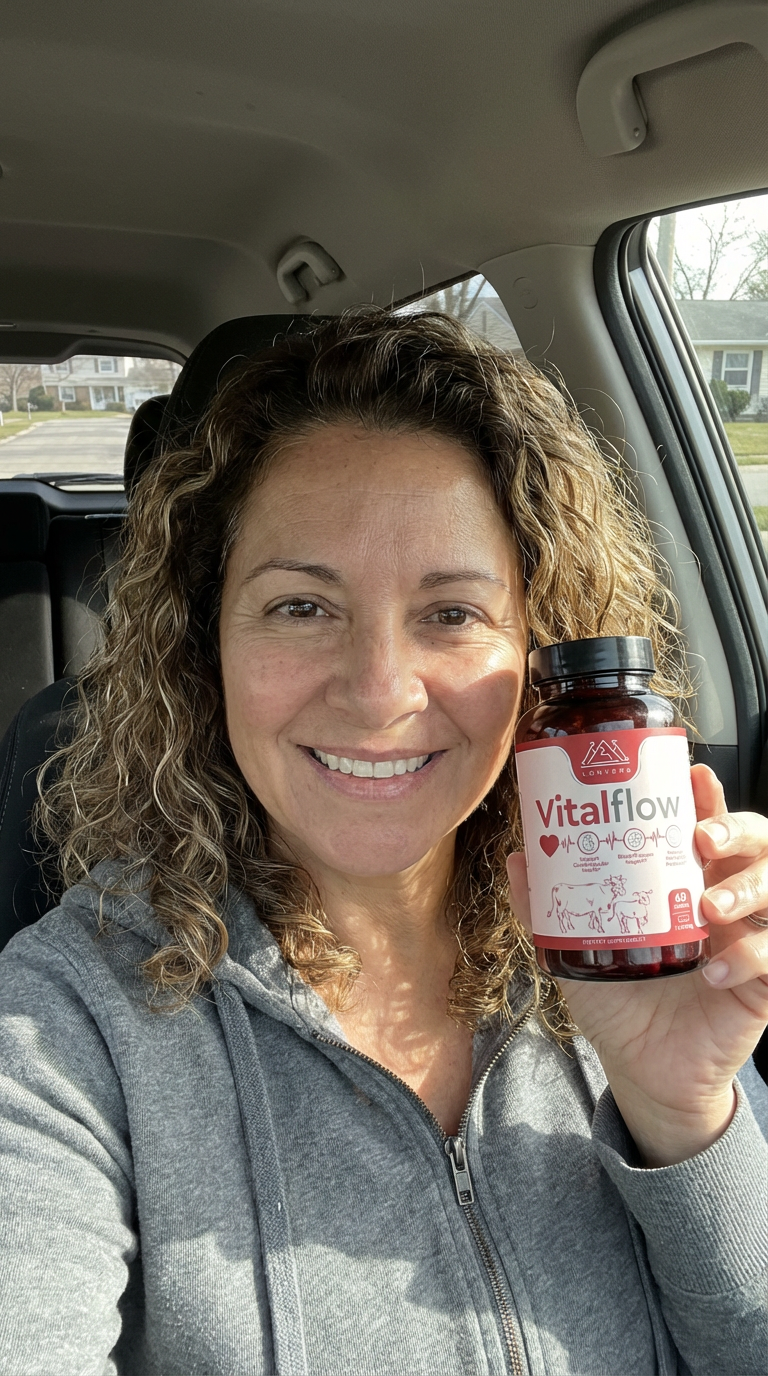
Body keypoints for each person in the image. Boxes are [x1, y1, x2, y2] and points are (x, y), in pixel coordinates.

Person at [0, 310, 765, 1376]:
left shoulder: (624, 934)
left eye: (451, 614)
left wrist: (686, 1117)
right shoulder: (59, 1023)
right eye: (303, 604)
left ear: (537, 649)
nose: (378, 690)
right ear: (201, 640)